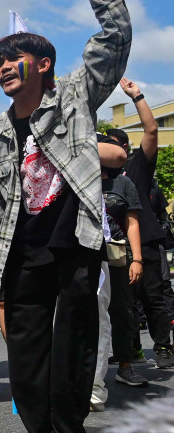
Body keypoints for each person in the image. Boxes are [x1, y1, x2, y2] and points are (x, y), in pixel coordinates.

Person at [0, 0, 130, 433]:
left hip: (73, 240)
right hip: (20, 250)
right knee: (27, 346)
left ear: (42, 64)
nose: (2, 68)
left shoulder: (73, 99)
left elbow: (115, 40)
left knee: (74, 340)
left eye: (13, 58)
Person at [110, 80, 173, 368]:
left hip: (146, 241)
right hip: (113, 247)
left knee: (153, 298)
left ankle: (162, 347)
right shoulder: (97, 174)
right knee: (123, 305)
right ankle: (130, 349)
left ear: (123, 148)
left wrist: (137, 96)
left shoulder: (136, 166)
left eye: (112, 144)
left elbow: (151, 130)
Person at [93, 135, 144, 411]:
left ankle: (125, 365)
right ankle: (89, 374)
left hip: (116, 257)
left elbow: (132, 222)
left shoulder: (122, 183)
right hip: (86, 255)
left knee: (122, 312)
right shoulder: (79, 180)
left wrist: (137, 259)